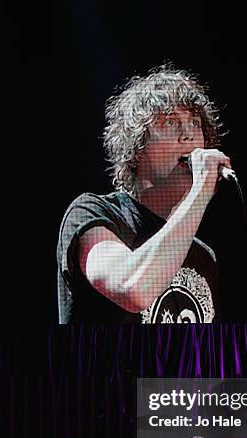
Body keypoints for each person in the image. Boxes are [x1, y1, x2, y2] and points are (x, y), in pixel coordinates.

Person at [57, 64, 234, 323]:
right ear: (137, 146)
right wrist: (201, 188)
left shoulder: (203, 257)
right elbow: (132, 289)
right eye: (171, 121)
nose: (189, 136)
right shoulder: (93, 214)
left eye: (195, 123)